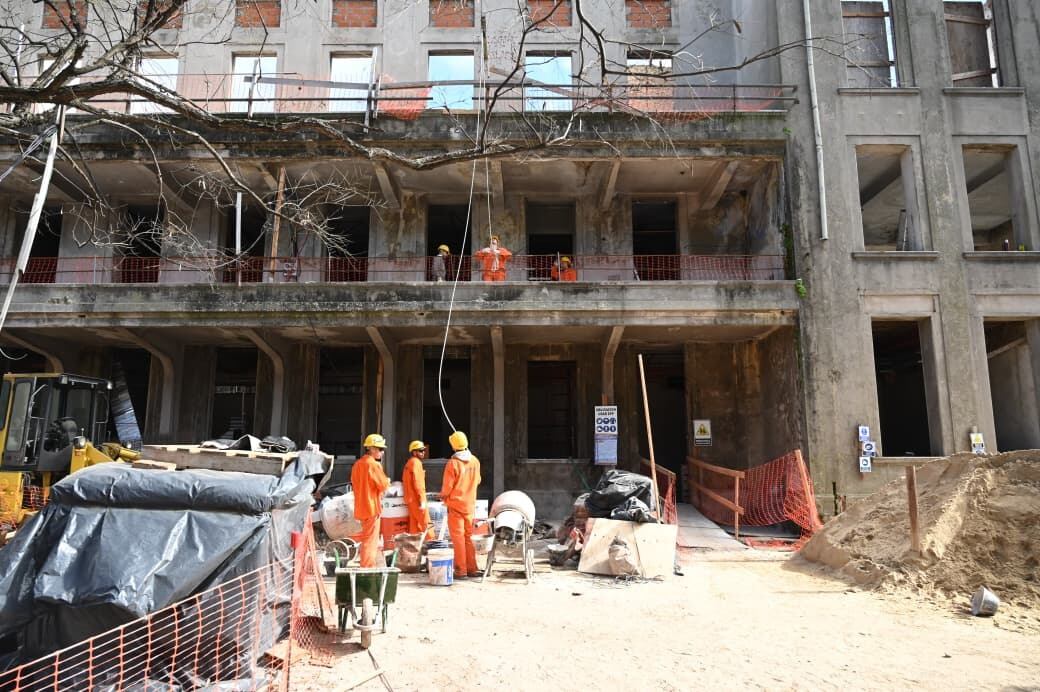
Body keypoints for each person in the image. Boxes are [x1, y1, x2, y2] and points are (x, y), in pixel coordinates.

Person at [440, 430, 482, 579]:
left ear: (453, 445)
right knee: (468, 538)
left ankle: (461, 570)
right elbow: (478, 481)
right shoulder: (475, 461)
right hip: (469, 506)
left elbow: (447, 487)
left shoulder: (453, 464)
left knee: (458, 539)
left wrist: (443, 498)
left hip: (456, 506)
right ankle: (472, 568)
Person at [351, 433, 391, 567]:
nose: (382, 452)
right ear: (371, 448)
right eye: (380, 449)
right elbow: (383, 485)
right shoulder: (373, 465)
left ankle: (367, 564)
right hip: (371, 507)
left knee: (367, 537)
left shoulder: (357, 464)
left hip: (361, 507)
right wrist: (387, 481)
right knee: (370, 540)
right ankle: (367, 567)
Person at [402, 440, 432, 538]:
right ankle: (432, 543)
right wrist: (422, 500)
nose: (423, 452)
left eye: (423, 450)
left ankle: (414, 546)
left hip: (410, 499)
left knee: (414, 524)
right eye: (420, 450)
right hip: (416, 499)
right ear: (414, 452)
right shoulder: (416, 463)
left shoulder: (409, 463)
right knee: (426, 523)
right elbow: (418, 484)